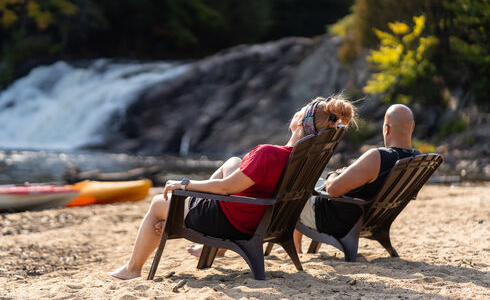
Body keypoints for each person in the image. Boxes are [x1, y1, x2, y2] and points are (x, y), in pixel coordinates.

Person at [109, 96, 356, 280]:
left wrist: (185, 183)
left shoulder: (269, 153)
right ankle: (203, 239)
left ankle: (132, 269)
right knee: (233, 163)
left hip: (236, 221)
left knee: (158, 204)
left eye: (300, 110)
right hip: (266, 218)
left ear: (301, 120)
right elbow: (232, 183)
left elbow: (226, 187)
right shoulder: (305, 156)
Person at [293, 104, 419, 253]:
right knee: (310, 183)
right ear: (412, 127)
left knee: (294, 191)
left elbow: (332, 190)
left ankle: (294, 248)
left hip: (336, 219)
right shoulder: (416, 160)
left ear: (387, 129)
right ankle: (296, 247)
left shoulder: (378, 157)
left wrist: (333, 175)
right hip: (371, 220)